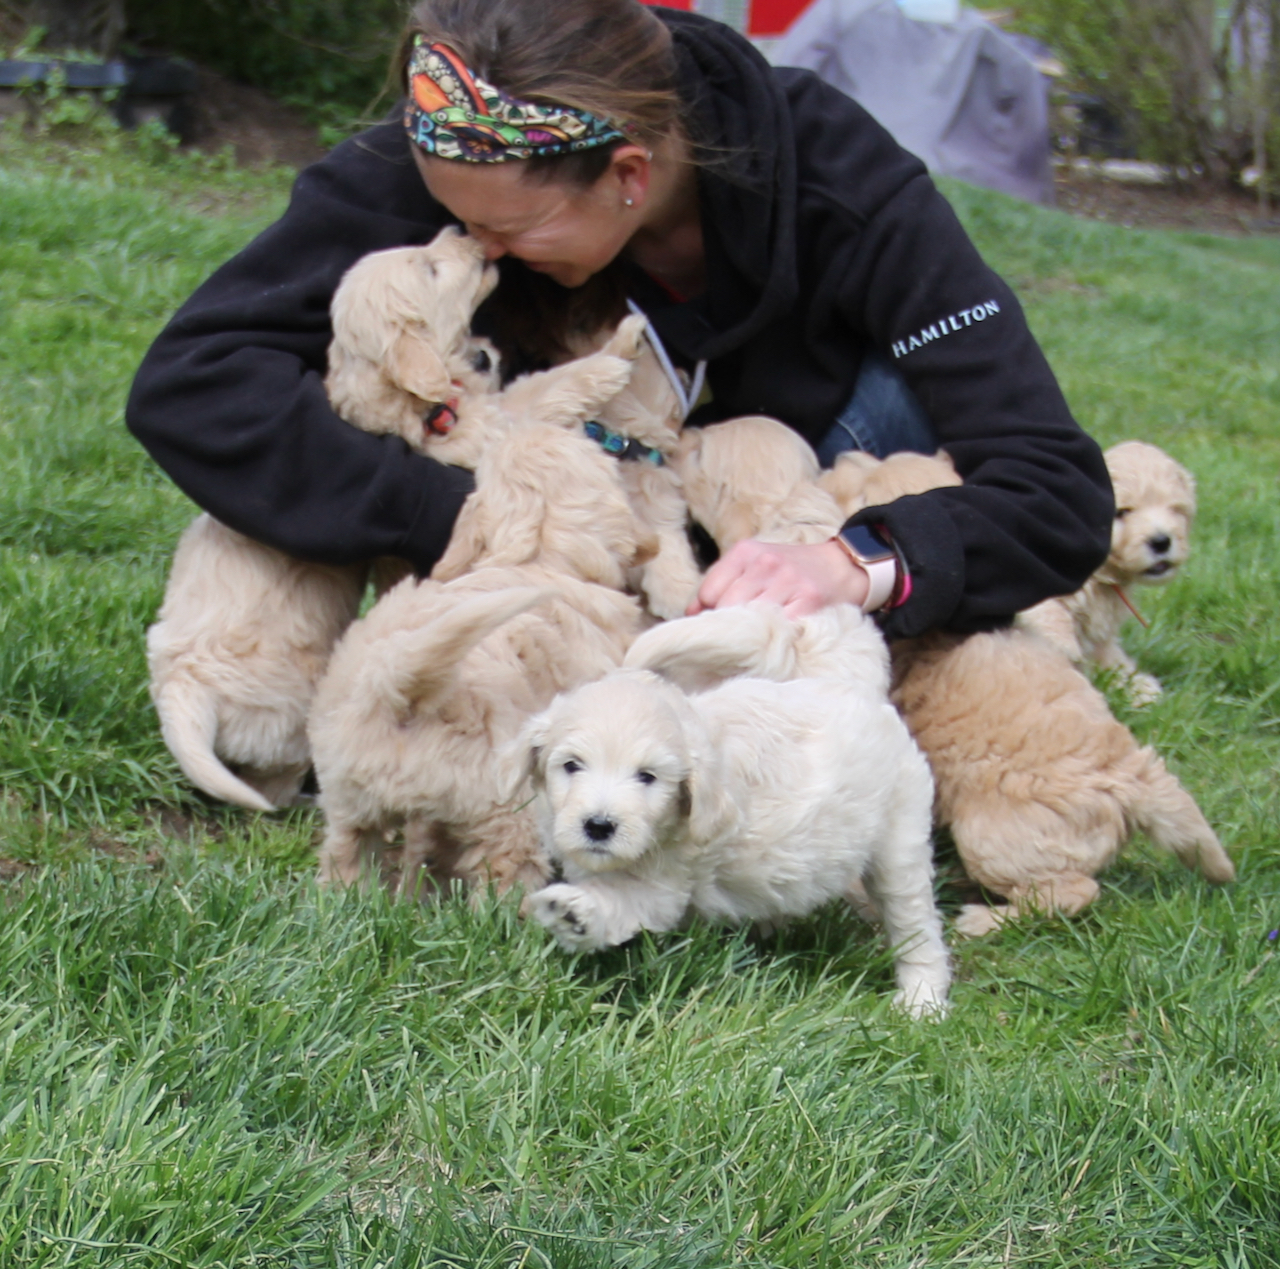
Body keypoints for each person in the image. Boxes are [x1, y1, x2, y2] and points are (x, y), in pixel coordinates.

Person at [126, 0, 1113, 638]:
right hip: (538, 534)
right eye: (456, 222)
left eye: (505, 228)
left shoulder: (837, 175)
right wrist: (474, 518)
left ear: (628, 176)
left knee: (906, 394)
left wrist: (842, 563)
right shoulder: (459, 144)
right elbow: (198, 381)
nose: (480, 249)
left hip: (778, 516)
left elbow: (1053, 486)